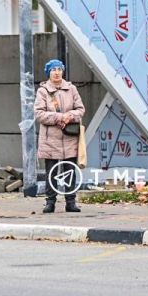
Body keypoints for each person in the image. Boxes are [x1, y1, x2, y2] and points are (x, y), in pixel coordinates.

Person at [34, 59, 85, 213]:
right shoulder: (43, 91)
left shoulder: (72, 89)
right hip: (50, 139)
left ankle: (71, 201)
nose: (56, 72)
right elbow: (39, 114)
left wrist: (70, 115)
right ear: (48, 72)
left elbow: (80, 109)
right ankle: (50, 202)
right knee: (52, 172)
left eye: (59, 69)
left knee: (70, 169)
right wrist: (59, 118)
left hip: (70, 138)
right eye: (53, 70)